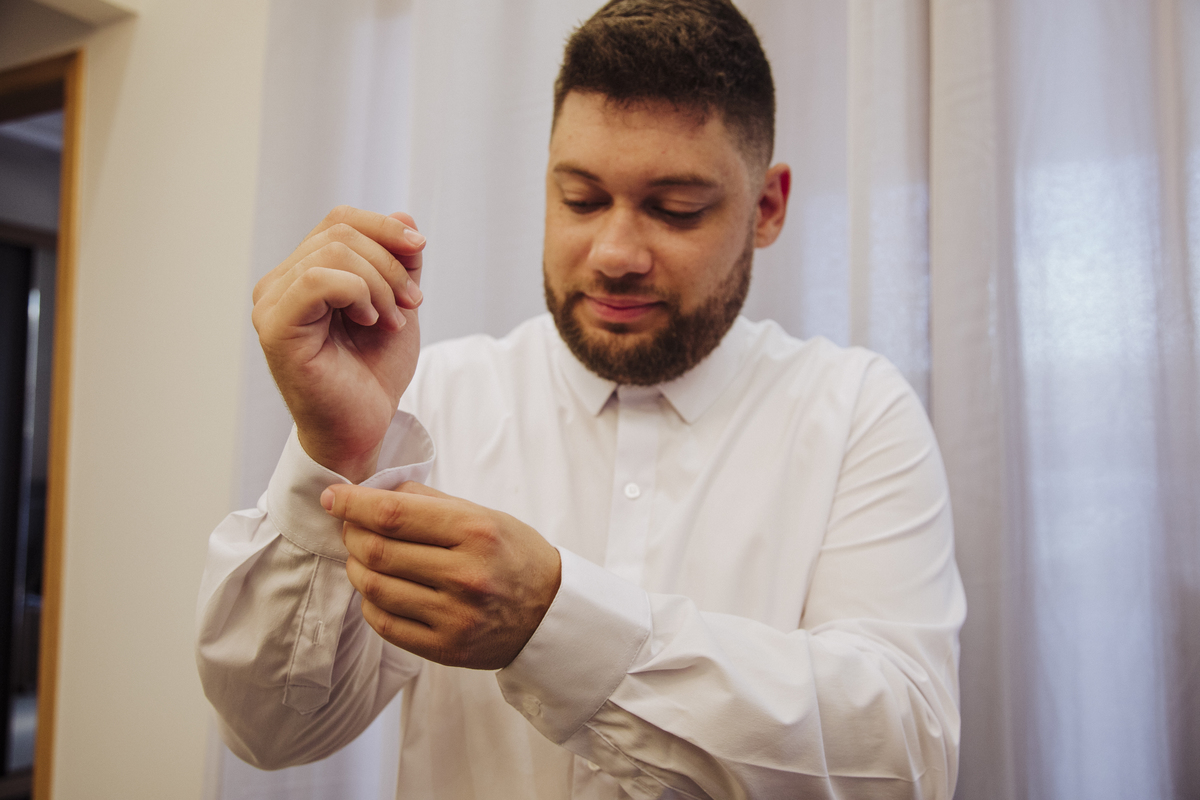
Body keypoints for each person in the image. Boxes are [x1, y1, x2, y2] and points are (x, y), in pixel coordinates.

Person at [197, 1, 966, 797]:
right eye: (582, 199)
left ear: (767, 208)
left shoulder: (856, 414)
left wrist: (553, 624)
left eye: (674, 209)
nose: (615, 254)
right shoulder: (431, 403)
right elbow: (269, 731)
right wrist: (333, 453)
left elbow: (905, 761)